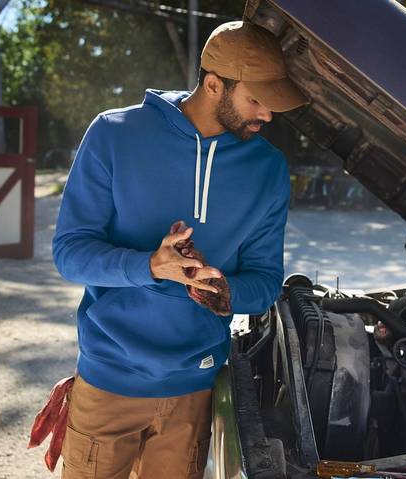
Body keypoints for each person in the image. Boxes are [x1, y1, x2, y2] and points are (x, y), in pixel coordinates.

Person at [50, 20, 309, 478]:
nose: (267, 115)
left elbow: (266, 280)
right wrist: (149, 265)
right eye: (257, 99)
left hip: (195, 391)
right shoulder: (114, 134)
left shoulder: (268, 169)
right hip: (109, 381)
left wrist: (227, 291)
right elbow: (70, 252)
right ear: (213, 84)